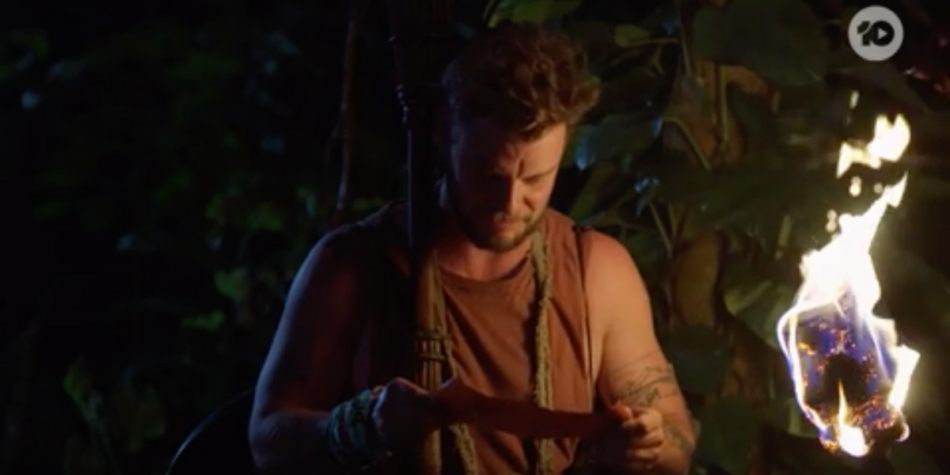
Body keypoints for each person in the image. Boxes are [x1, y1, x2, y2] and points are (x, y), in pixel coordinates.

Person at [248, 23, 696, 475]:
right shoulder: (354, 264)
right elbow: (268, 442)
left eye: (536, 180)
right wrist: (365, 427)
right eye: (489, 175)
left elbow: (676, 440)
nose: (510, 203)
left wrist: (649, 444)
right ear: (445, 132)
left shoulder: (597, 269)